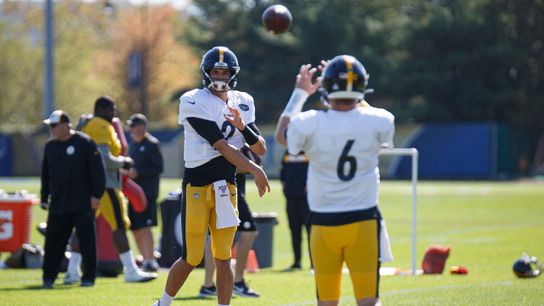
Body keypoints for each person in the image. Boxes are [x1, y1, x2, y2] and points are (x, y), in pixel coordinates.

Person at [152, 46, 270, 306]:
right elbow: (222, 146)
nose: (219, 75)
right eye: (215, 70)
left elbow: (260, 147)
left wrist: (243, 127)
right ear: (206, 73)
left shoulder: (243, 101)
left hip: (227, 187)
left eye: (224, 71)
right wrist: (255, 169)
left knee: (223, 256)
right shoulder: (193, 99)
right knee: (191, 257)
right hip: (197, 185)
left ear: (232, 74)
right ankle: (164, 303)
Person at [275, 55, 395, 306]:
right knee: (369, 301)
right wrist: (347, 83)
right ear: (362, 87)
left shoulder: (309, 122)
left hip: (323, 223)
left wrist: (299, 94)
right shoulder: (381, 120)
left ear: (327, 87)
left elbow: (281, 135)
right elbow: (360, 112)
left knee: (327, 302)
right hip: (363, 222)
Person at [65, 96, 157, 283]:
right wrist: (124, 162)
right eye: (111, 110)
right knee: (119, 226)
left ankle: (72, 271)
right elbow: (103, 159)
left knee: (83, 226)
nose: (113, 114)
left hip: (87, 184)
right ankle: (130, 270)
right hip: (105, 185)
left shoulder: (86, 124)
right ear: (102, 109)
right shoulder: (100, 126)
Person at [40, 110, 105, 288]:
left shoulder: (84, 142)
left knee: (87, 242)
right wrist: (44, 197)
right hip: (59, 204)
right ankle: (48, 278)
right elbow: (45, 175)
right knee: (53, 243)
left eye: (54, 126)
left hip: (82, 202)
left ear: (65, 125)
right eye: (50, 126)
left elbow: (98, 172)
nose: (52, 129)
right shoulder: (50, 146)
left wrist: (96, 195)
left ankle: (88, 278)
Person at [200, 169, 262, 298]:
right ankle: (237, 282)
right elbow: (229, 161)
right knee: (249, 231)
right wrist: (254, 168)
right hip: (225, 185)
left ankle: (208, 285)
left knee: (216, 233)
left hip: (228, 185)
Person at [126, 113, 164, 272]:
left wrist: (138, 173)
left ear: (142, 126)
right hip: (133, 194)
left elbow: (158, 168)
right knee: (135, 227)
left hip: (147, 193)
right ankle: (143, 257)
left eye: (135, 126)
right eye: (131, 126)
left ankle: (150, 260)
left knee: (145, 226)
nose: (132, 129)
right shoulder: (132, 145)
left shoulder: (152, 144)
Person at [278, 150, 310, 270]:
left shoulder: (309, 151)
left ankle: (314, 263)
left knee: (311, 231)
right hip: (291, 198)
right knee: (294, 231)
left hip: (307, 199)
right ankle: (297, 262)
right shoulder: (287, 153)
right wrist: (284, 186)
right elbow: (283, 171)